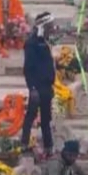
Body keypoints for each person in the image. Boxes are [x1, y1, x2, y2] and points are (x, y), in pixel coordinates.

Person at [21, 12, 58, 156]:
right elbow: (28, 68)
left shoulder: (45, 43)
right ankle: (24, 144)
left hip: (47, 87)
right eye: (49, 26)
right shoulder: (31, 43)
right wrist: (33, 88)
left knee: (46, 119)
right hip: (37, 87)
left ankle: (48, 147)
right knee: (31, 116)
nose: (52, 28)